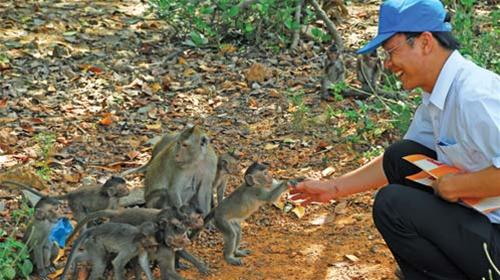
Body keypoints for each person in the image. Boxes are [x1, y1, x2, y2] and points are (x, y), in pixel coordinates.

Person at [289, 0, 500, 279]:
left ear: (425, 42)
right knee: (399, 157)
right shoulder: (437, 96)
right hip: (481, 218)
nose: (388, 64)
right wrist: (333, 188)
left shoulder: (474, 96)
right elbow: (395, 164)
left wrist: (457, 185)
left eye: (391, 52)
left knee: (392, 205)